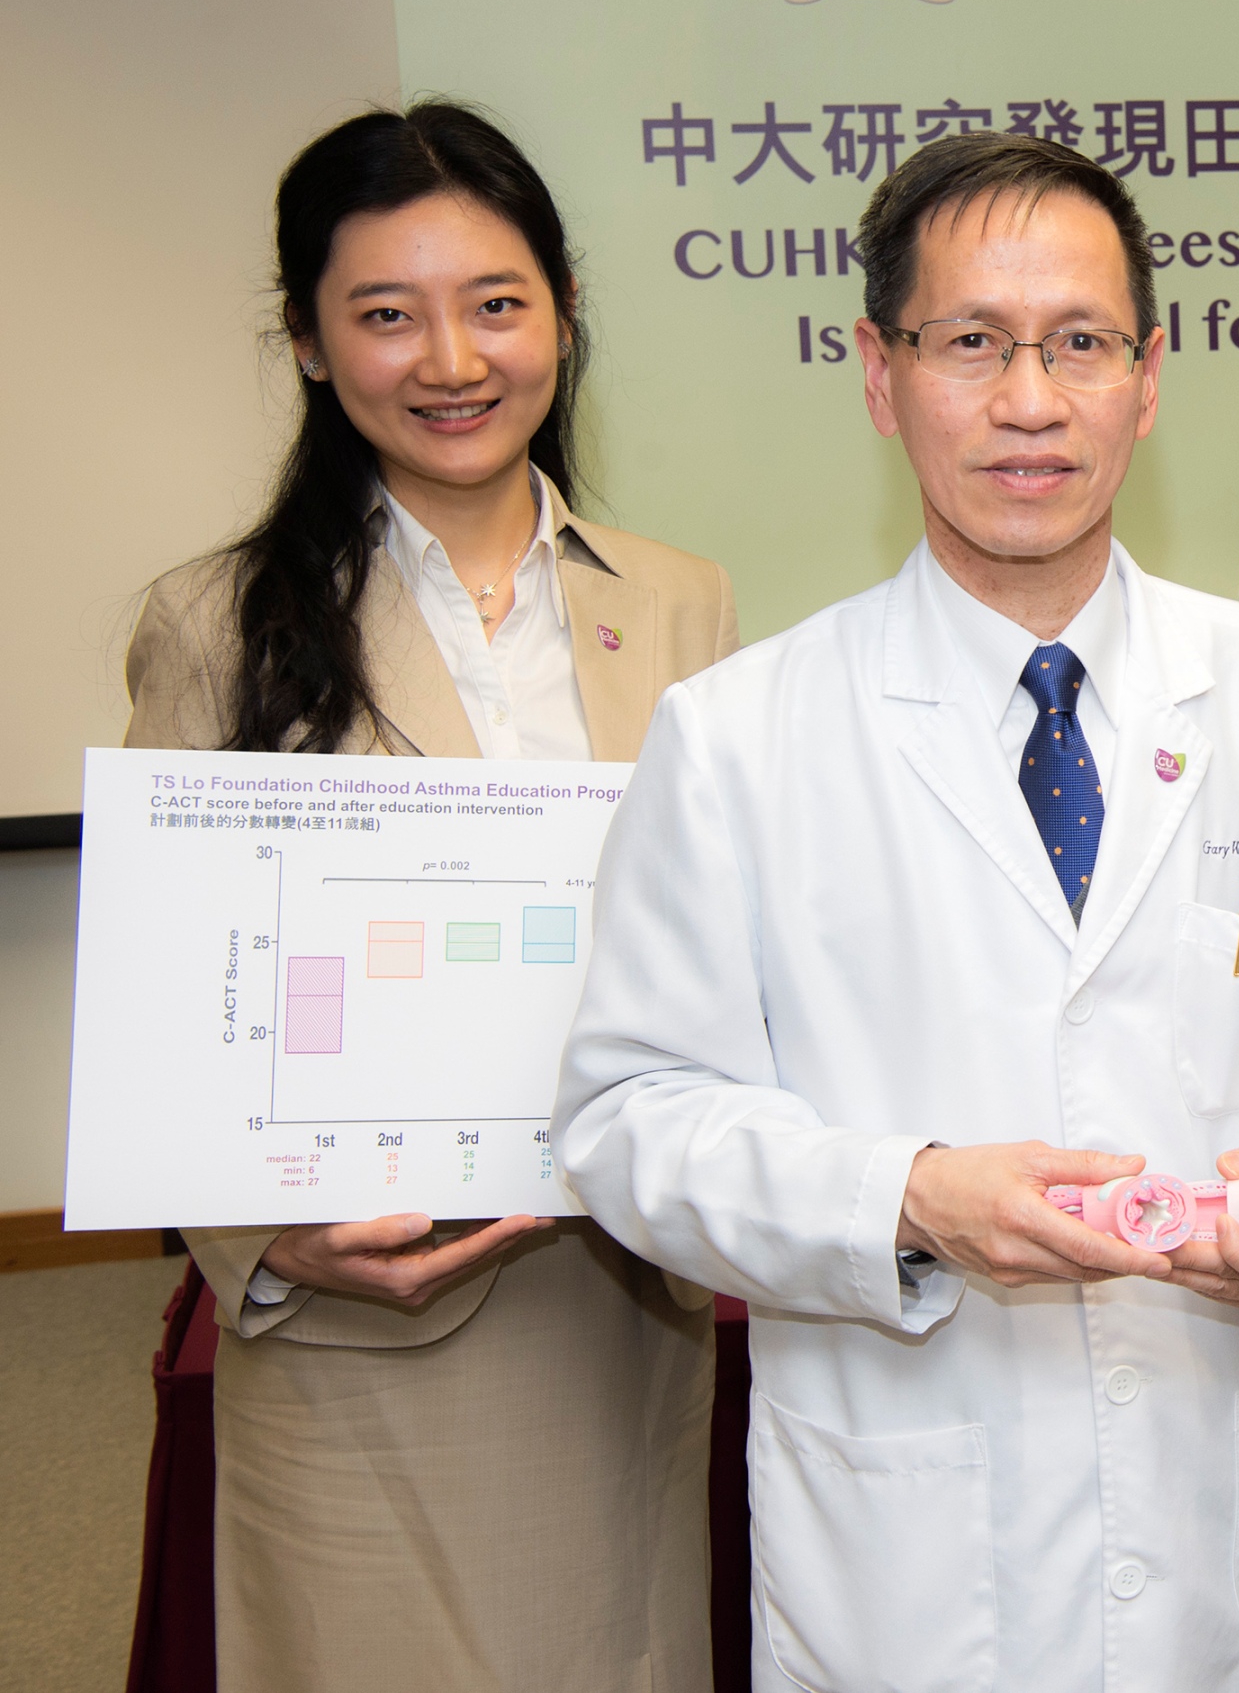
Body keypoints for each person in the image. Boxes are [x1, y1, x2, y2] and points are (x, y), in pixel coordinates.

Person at [555, 130, 1239, 1691]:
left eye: (1080, 343)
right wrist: (910, 1198)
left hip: (1225, 1498)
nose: (1031, 400)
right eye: (973, 344)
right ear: (880, 374)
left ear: (1151, 375)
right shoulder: (740, 734)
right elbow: (630, 1116)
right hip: (908, 1548)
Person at [121, 102, 734, 1692]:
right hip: (357, 1324)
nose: (451, 357)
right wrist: (269, 1241)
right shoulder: (217, 624)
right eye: (385, 313)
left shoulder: (680, 597)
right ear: (313, 346)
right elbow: (170, 1002)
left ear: (564, 315)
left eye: (497, 302)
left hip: (617, 1296)